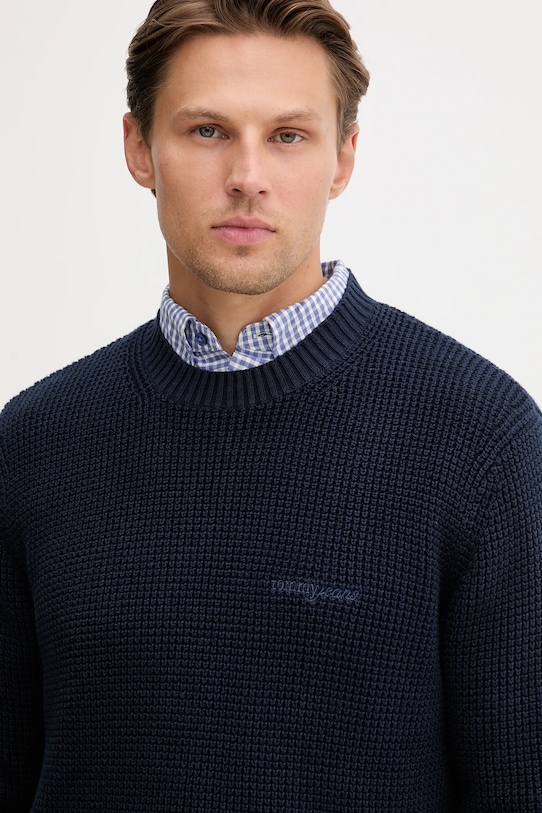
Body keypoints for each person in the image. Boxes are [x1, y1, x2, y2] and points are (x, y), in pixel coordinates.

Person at [1, 0, 541, 809]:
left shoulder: (481, 440)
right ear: (139, 148)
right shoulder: (32, 444)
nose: (247, 175)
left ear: (343, 157)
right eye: (207, 130)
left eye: (287, 135)